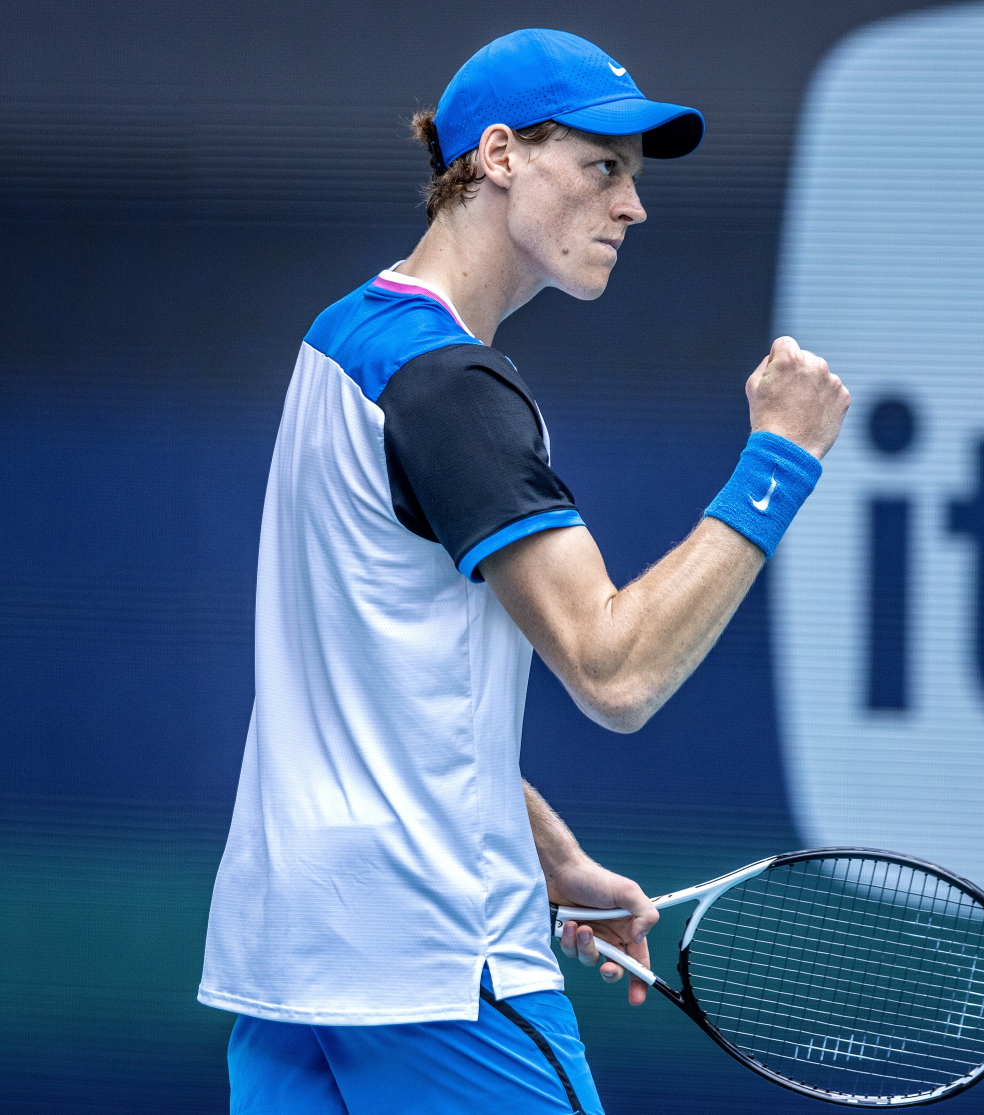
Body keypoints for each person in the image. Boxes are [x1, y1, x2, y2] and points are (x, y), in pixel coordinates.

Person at [197, 28, 849, 1115]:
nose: (631, 206)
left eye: (632, 178)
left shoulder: (341, 337)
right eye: (603, 167)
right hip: (437, 969)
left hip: (291, 965)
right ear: (498, 156)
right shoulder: (449, 384)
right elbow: (616, 670)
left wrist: (550, 855)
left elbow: (391, 697)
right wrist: (779, 461)